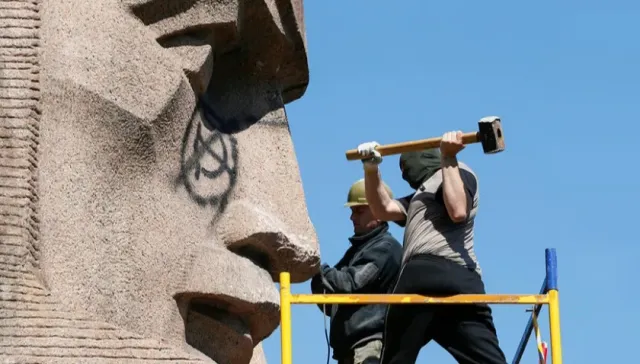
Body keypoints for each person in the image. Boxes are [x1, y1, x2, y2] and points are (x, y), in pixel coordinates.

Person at [355, 131, 508, 364]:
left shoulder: (459, 172)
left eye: (406, 168)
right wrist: (371, 170)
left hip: (435, 274)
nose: (406, 174)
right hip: (451, 282)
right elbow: (382, 209)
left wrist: (449, 158)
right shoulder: (421, 195)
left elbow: (457, 211)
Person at [311, 179, 403, 364]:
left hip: (369, 345)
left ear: (379, 212)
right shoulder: (360, 249)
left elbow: (351, 283)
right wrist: (317, 276)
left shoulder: (385, 247)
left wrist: (315, 268)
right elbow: (330, 294)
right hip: (350, 347)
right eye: (352, 211)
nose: (352, 217)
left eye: (359, 211)